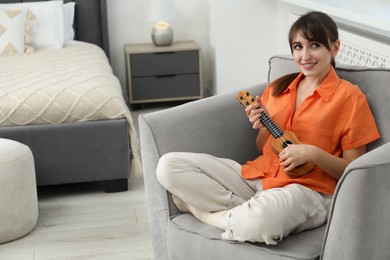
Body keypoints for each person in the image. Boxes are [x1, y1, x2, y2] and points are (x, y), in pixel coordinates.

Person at [156, 11, 380, 245]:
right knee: (168, 166)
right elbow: (263, 147)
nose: (305, 56)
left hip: (307, 190)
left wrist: (313, 153)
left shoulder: (350, 98)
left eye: (314, 45)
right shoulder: (277, 89)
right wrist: (262, 127)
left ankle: (206, 213)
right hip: (258, 177)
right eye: (298, 47)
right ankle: (243, 212)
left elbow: (355, 171)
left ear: (334, 48)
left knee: (262, 219)